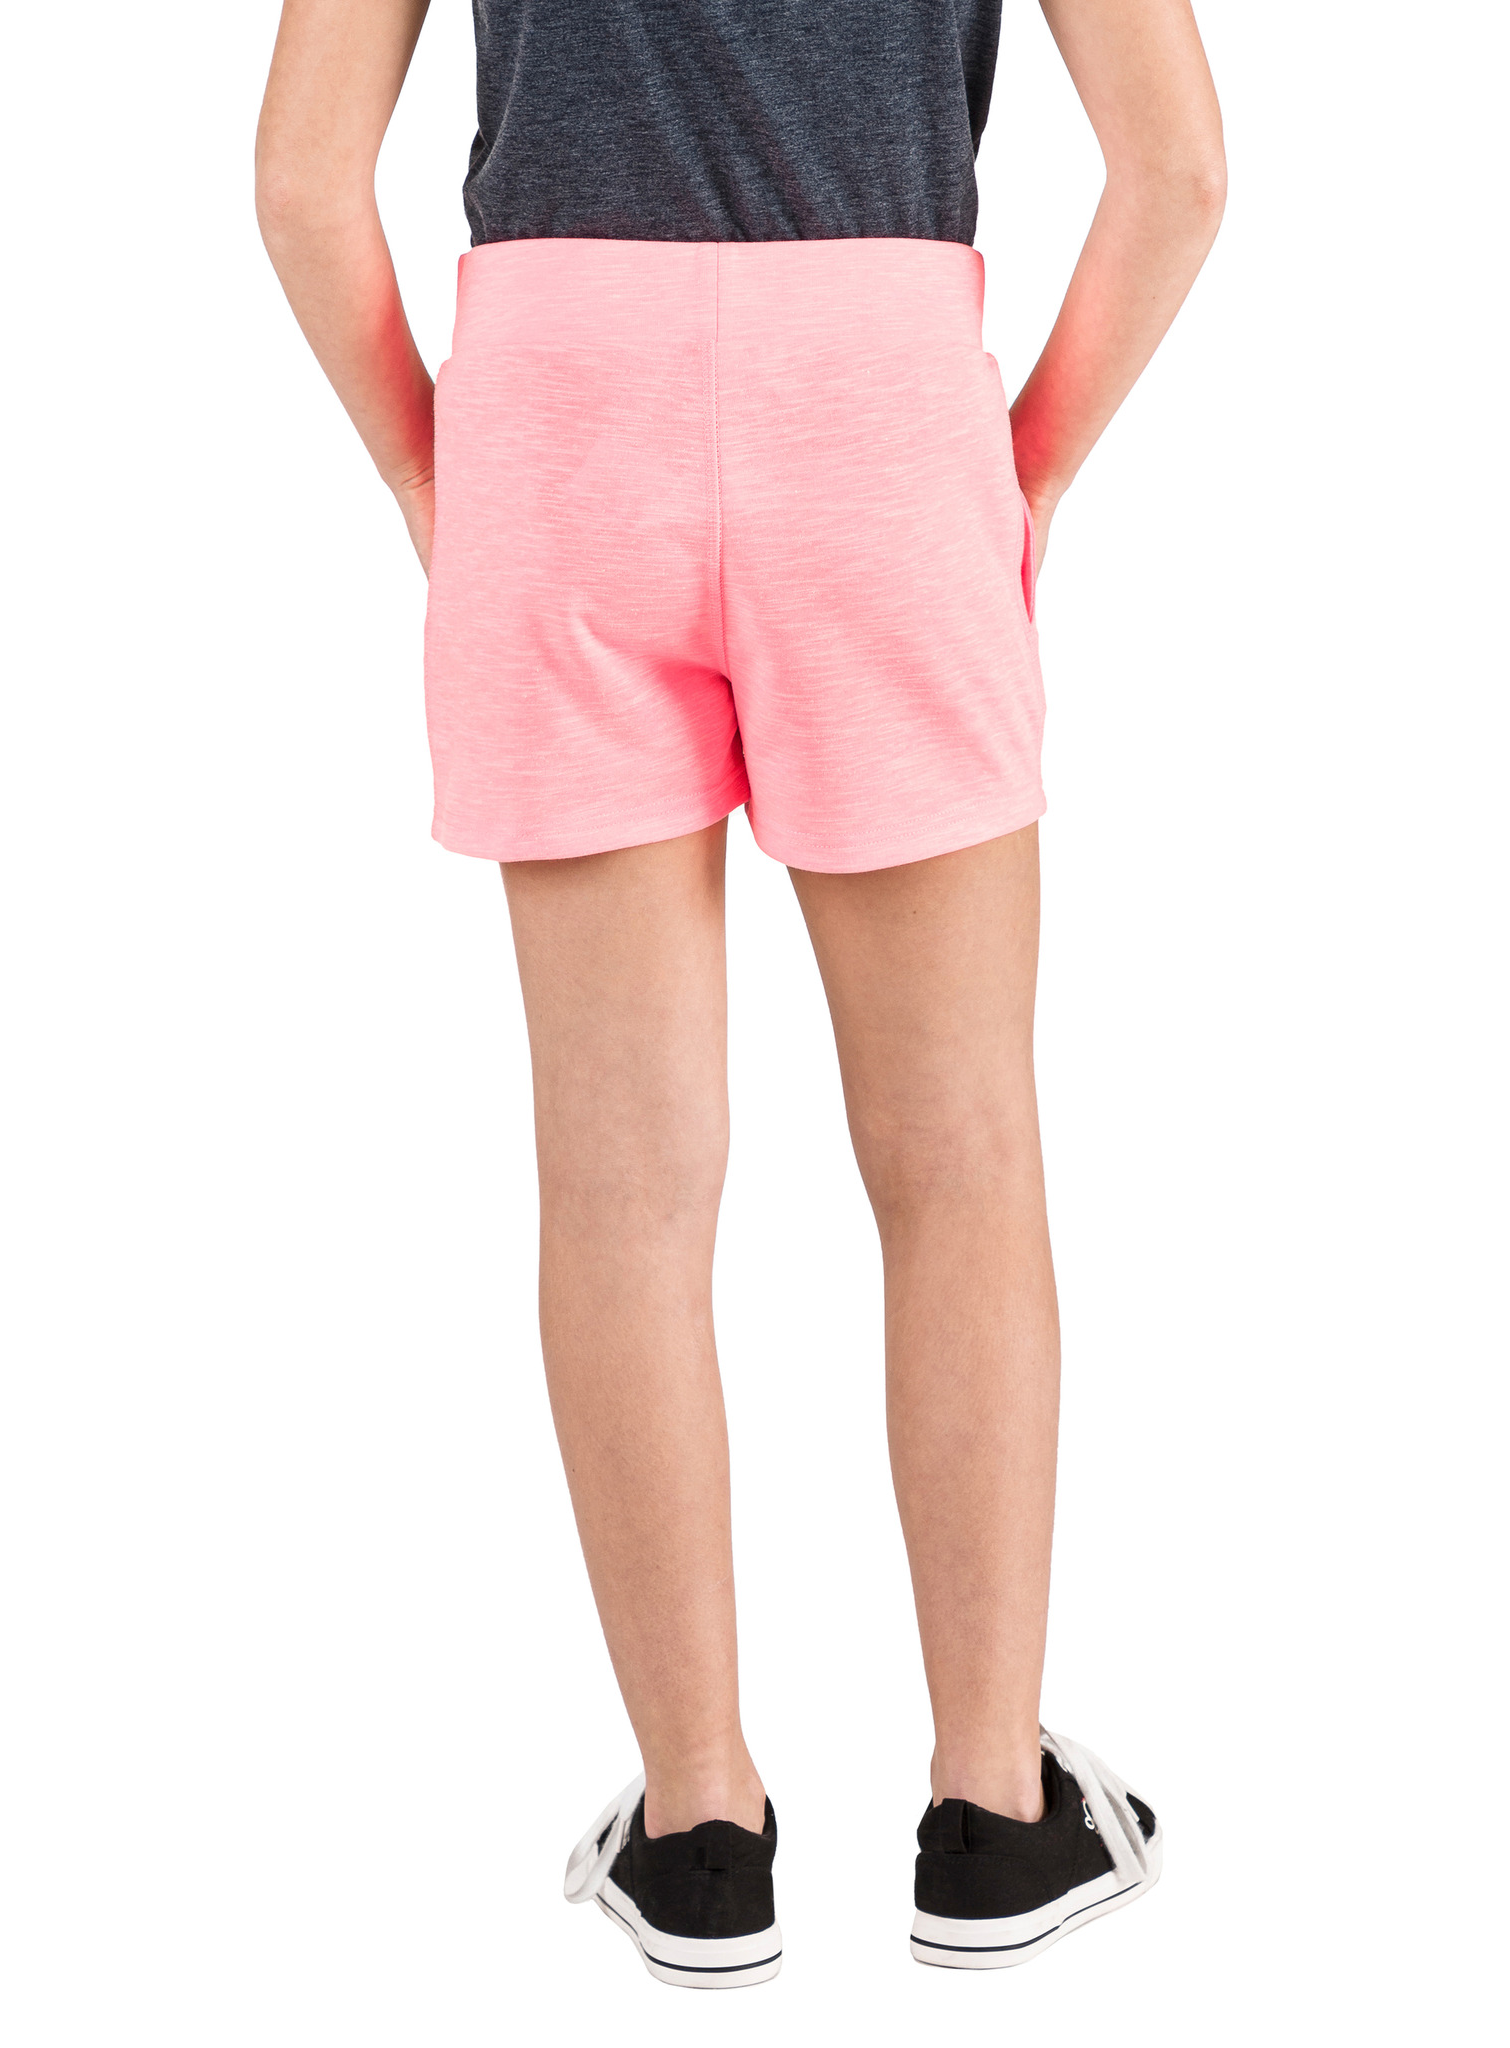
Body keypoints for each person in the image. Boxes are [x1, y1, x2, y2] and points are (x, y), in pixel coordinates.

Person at [256, 0, 1224, 1988]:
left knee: (622, 1188)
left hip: (557, 412)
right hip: (879, 406)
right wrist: (1024, 472)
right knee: (959, 1154)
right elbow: (1182, 170)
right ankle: (993, 1812)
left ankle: (700, 1831)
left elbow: (297, 179)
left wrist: (438, 476)